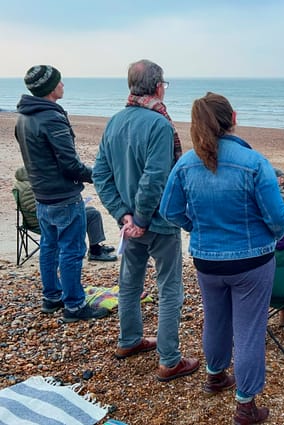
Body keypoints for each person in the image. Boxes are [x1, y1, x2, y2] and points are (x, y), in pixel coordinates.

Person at [159, 92, 284, 424]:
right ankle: (245, 404)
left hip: (207, 259)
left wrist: (197, 229)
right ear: (233, 117)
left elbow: (169, 211)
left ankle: (216, 375)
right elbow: (277, 218)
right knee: (248, 330)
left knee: (215, 319)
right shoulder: (254, 162)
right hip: (252, 261)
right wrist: (268, 238)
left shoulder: (187, 163)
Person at [93, 60, 197, 382]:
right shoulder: (160, 125)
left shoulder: (114, 122)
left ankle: (129, 340)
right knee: (169, 290)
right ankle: (169, 359)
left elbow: (101, 175)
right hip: (158, 222)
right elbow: (154, 179)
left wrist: (123, 214)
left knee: (129, 285)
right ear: (157, 87)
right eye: (164, 83)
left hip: (130, 224)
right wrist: (135, 217)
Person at [14, 65, 109, 322]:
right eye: (60, 81)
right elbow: (70, 165)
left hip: (42, 195)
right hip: (62, 196)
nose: (63, 85)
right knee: (71, 250)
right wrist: (98, 175)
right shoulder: (51, 118)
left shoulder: (24, 117)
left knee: (49, 246)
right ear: (50, 87)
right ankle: (75, 306)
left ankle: (52, 297)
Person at [13, 167, 117, 261]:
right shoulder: (30, 188)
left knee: (90, 210)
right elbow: (38, 207)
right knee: (93, 214)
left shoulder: (21, 185)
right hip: (46, 222)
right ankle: (95, 251)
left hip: (40, 219)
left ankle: (96, 247)